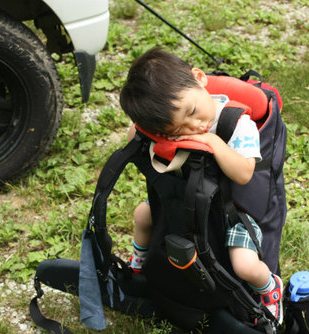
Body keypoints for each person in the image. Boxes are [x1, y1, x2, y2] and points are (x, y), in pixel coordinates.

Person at [119, 47, 283, 322]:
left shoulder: (236, 123)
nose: (194, 126)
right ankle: (139, 265)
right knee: (142, 214)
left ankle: (269, 288)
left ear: (199, 78)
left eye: (193, 111)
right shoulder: (171, 122)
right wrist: (148, 130)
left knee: (243, 264)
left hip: (232, 213)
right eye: (177, 129)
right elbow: (132, 138)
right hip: (187, 200)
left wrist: (215, 144)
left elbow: (245, 174)